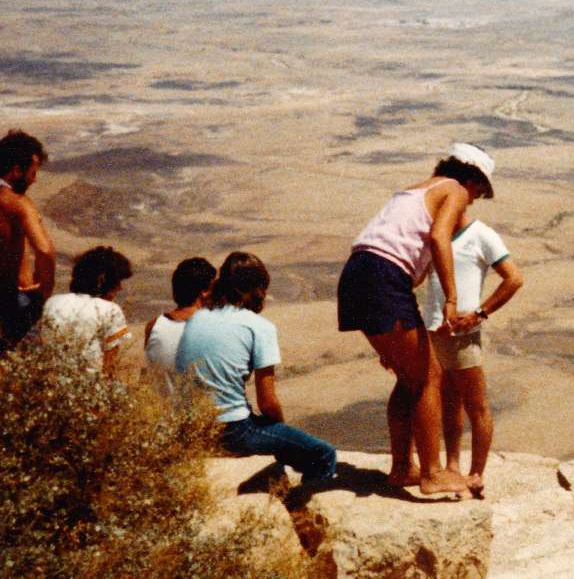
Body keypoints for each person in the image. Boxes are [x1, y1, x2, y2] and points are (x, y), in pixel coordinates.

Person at [337, 142, 494, 495]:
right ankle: (433, 473)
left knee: (410, 377)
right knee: (429, 376)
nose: (471, 201)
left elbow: (414, 264)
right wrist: (452, 298)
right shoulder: (453, 189)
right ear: (471, 179)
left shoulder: (413, 190)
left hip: (357, 273)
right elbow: (439, 238)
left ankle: (402, 468)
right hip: (383, 277)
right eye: (478, 192)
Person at [176, 252, 336, 484]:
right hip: (231, 431)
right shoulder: (258, 326)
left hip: (189, 427)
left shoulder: (197, 318)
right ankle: (303, 502)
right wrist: (281, 433)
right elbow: (268, 402)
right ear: (258, 288)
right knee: (323, 454)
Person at [422, 213, 523, 497]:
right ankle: (452, 466)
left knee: (476, 405)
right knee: (448, 402)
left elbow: (514, 279)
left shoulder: (481, 235)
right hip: (432, 330)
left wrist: (479, 313)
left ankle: (477, 473)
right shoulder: (436, 235)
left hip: (462, 335)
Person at [0, 129, 55, 352]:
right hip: (11, 300)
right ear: (16, 170)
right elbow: (44, 250)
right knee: (23, 363)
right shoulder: (16, 202)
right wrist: (44, 291)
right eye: (33, 172)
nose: (35, 179)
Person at [39, 246, 132, 378]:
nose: (120, 287)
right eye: (118, 281)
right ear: (103, 279)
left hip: (48, 381)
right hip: (88, 384)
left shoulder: (52, 302)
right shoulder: (111, 310)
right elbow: (109, 367)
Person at [144, 257, 216, 394]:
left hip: (160, 407)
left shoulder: (154, 326)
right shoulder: (212, 329)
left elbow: (146, 377)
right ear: (204, 292)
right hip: (200, 407)